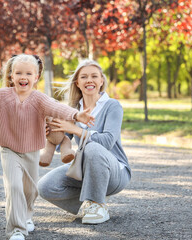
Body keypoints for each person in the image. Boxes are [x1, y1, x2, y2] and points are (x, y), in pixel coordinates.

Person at [0, 54, 95, 240]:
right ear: (11, 76)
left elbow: (58, 109)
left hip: (31, 151)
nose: (23, 77)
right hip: (9, 149)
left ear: (35, 77)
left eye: (28, 73)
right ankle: (17, 229)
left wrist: (77, 115)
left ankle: (27, 216)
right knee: (14, 186)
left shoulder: (39, 99)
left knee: (30, 190)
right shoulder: (2, 95)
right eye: (18, 72)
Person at [38, 59, 131, 225]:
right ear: (78, 83)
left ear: (101, 81)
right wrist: (50, 133)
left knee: (93, 147)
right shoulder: (73, 109)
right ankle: (90, 201)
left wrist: (77, 130)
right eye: (84, 76)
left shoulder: (112, 106)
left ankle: (98, 204)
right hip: (86, 169)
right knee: (45, 187)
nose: (90, 80)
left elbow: (108, 141)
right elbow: (61, 140)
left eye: (94, 76)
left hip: (116, 171)